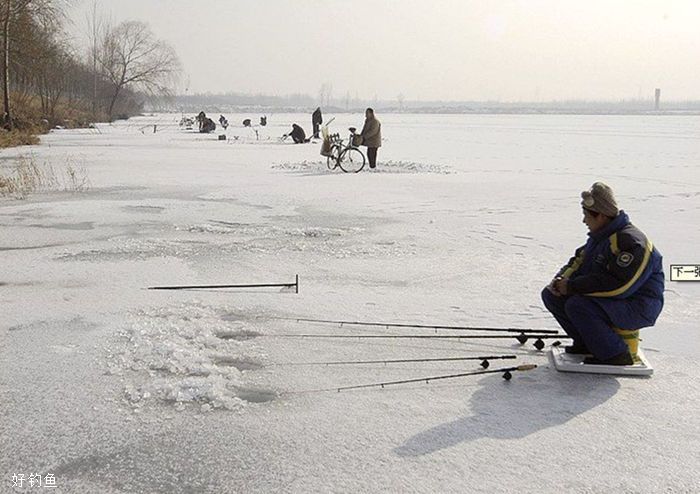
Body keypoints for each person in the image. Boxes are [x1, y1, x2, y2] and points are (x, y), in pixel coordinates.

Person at [541, 182, 664, 365]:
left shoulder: (631, 242)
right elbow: (578, 262)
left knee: (578, 305)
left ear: (600, 216)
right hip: (616, 301)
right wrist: (561, 281)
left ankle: (615, 354)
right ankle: (588, 343)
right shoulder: (601, 237)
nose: (584, 221)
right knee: (552, 296)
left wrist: (572, 287)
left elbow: (621, 287)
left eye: (586, 216)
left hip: (638, 306)